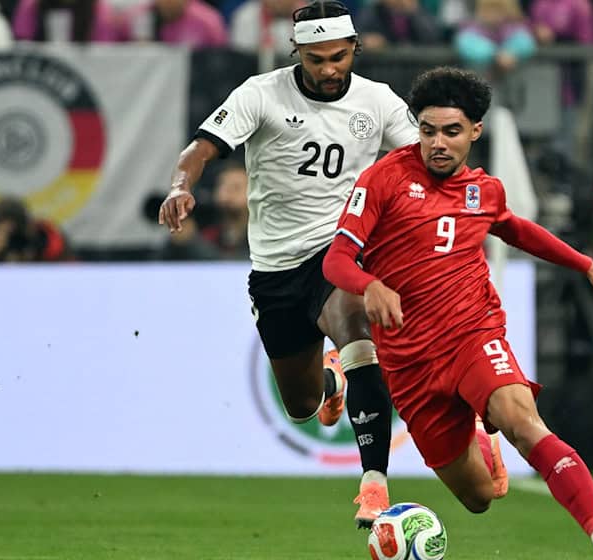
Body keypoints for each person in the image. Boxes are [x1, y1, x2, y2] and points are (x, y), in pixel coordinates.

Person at [323, 66, 593, 560]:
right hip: (409, 366)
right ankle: (478, 437)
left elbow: (514, 228)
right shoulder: (383, 180)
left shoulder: (483, 190)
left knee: (522, 420)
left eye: (451, 132)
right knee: (478, 498)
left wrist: (587, 266)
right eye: (427, 131)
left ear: (475, 131)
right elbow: (337, 259)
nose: (438, 143)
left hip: (472, 335)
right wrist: (371, 286)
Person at [157, 0, 419, 528]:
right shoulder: (260, 93)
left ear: (355, 50)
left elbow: (426, 163)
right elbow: (200, 149)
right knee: (300, 405)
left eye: (339, 57)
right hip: (276, 268)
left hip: (341, 249)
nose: (328, 69)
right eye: (316, 58)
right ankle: (329, 384)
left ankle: (373, 485)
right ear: (296, 51)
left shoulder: (380, 101)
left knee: (359, 338)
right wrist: (181, 186)